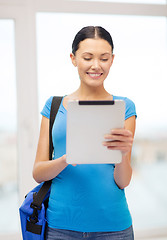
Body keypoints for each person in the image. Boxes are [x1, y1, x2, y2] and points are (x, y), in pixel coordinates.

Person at [33, 26, 137, 240]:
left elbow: (123, 181)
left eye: (104, 58)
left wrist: (123, 155)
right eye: (88, 57)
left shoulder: (125, 108)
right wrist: (65, 160)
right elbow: (38, 173)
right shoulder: (53, 106)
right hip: (61, 227)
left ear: (112, 60)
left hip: (114, 227)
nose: (96, 66)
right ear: (73, 58)